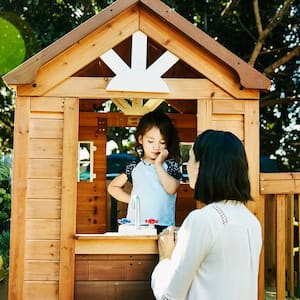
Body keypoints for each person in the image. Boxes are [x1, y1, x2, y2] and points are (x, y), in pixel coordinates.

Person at [151, 129, 262, 300]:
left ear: (203, 165)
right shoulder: (252, 222)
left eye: (191, 158)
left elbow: (169, 297)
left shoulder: (203, 220)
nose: (187, 165)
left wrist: (165, 259)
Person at [107, 110, 182, 230]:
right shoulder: (134, 166)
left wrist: (158, 164)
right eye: (150, 141)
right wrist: (132, 201)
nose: (156, 147)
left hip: (164, 225)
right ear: (141, 139)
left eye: (162, 142)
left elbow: (172, 189)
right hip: (136, 224)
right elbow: (112, 187)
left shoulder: (171, 165)